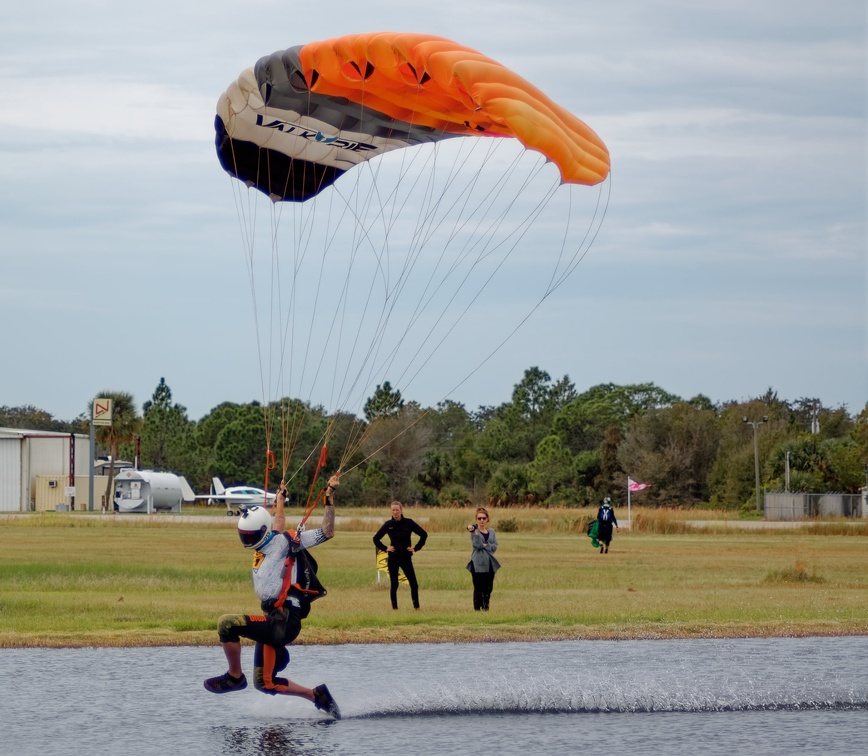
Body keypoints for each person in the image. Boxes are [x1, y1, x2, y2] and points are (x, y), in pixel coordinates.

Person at [204, 475, 341, 719]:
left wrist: (329, 498)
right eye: (244, 536)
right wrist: (280, 500)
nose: (247, 540)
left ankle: (235, 677)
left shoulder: (287, 543)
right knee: (264, 683)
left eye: (250, 536)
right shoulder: (268, 540)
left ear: (262, 531)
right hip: (273, 618)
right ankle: (316, 695)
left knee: (227, 623)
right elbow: (278, 521)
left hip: (284, 621)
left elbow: (328, 532)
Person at [373, 500, 428, 610]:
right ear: (391, 511)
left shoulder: (409, 523)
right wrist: (385, 548)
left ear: (401, 510)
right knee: (394, 584)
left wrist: (415, 548)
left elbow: (424, 535)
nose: (395, 512)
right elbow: (376, 539)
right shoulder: (388, 525)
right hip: (393, 558)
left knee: (413, 583)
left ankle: (416, 607)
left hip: (406, 557)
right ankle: (395, 608)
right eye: (393, 510)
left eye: (397, 510)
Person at [465, 507, 500, 611]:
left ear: (487, 519)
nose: (481, 520)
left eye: (484, 518)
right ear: (476, 519)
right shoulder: (474, 532)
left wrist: (485, 545)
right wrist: (475, 533)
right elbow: (477, 545)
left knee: (488, 588)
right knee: (478, 588)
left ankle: (486, 608)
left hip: (489, 563)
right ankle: (477, 609)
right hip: (477, 563)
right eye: (479, 518)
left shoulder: (492, 532)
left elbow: (494, 547)